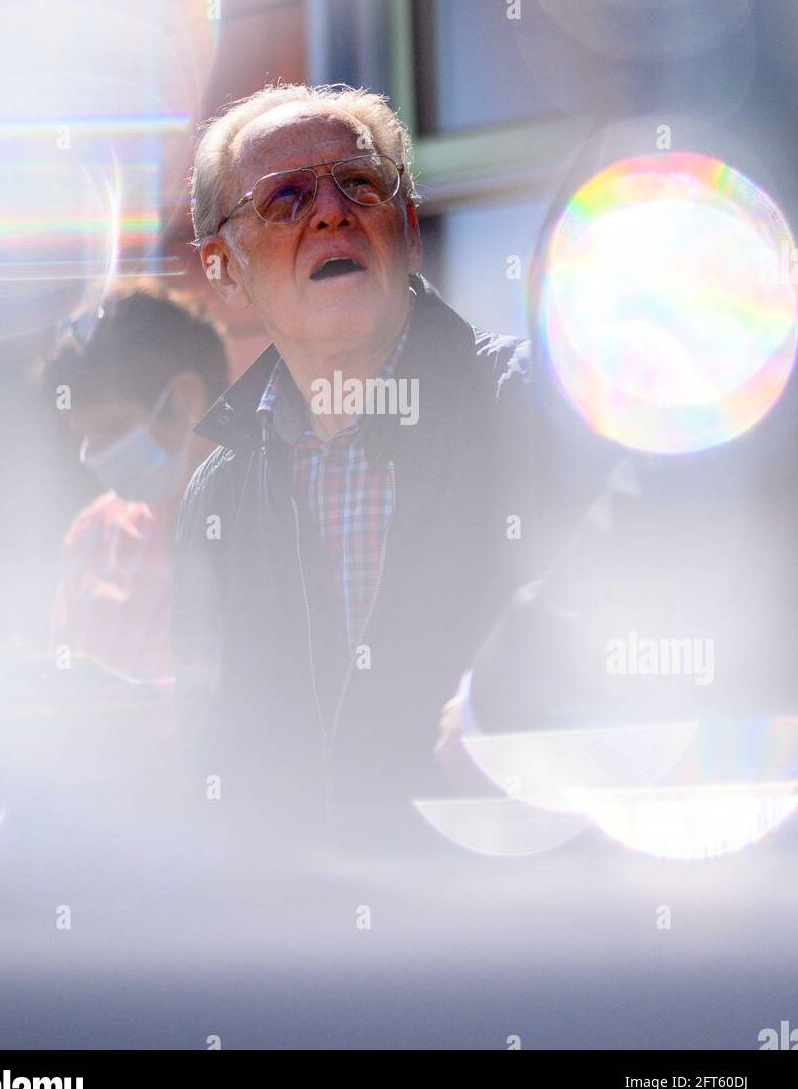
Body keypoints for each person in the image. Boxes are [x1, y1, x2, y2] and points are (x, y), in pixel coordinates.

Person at [173, 83, 536, 853]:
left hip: (512, 935)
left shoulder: (530, 409)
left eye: (360, 185)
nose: (332, 212)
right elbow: (212, 750)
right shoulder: (220, 491)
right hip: (300, 945)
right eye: (286, 199)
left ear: (405, 229)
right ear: (225, 270)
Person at [47, 286, 228, 690]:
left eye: (111, 428)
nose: (93, 454)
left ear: (184, 399)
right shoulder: (94, 532)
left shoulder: (278, 526)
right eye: (85, 434)